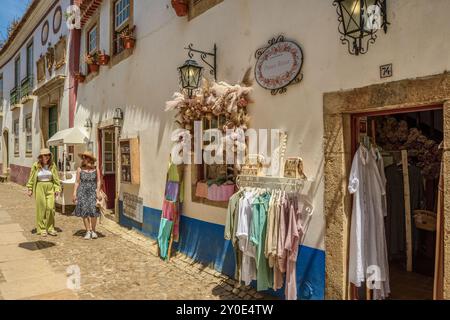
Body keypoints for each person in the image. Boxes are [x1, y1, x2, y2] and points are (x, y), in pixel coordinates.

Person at [26, 148, 61, 237]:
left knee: (50, 208)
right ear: (41, 157)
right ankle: (41, 229)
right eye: (45, 155)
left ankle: (50, 228)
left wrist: (57, 188)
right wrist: (30, 188)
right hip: (39, 187)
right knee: (41, 208)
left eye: (48, 155)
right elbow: (32, 177)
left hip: (50, 187)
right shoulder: (36, 165)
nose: (47, 157)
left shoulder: (52, 165)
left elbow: (56, 178)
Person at [73, 151, 102, 240]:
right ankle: (88, 231)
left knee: (94, 211)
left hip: (93, 191)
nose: (84, 159)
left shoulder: (96, 169)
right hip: (82, 192)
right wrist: (74, 193)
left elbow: (98, 181)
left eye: (85, 157)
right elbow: (77, 182)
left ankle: (93, 230)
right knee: (84, 212)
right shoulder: (80, 169)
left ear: (90, 159)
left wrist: (98, 191)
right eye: (83, 158)